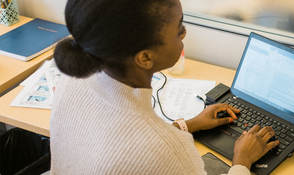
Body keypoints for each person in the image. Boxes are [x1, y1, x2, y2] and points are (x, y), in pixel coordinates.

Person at [50, 0, 279, 174]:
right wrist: (241, 161)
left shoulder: (73, 79)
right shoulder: (168, 152)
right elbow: (147, 151)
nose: (184, 32)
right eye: (178, 26)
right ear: (145, 58)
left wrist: (186, 125)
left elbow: (121, 145)